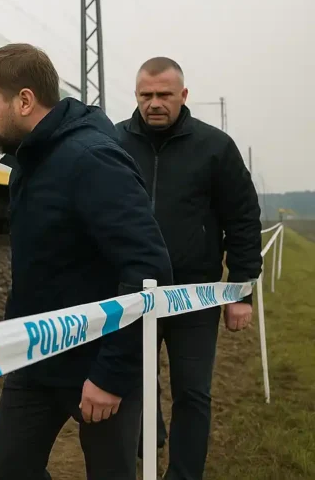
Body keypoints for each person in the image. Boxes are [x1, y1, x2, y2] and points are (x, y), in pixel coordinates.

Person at [0, 43, 174, 480]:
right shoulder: (31, 157)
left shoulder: (91, 159)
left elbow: (148, 268)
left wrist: (113, 376)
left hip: (99, 363)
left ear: (24, 101)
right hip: (37, 355)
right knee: (12, 466)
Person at [116, 56, 261, 480]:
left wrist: (242, 290)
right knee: (134, 389)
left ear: (183, 95)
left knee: (193, 393)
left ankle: (182, 474)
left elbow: (242, 217)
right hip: (131, 294)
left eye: (164, 95)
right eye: (146, 95)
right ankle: (148, 447)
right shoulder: (113, 142)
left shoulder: (216, 147)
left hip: (196, 297)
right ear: (137, 95)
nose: (154, 103)